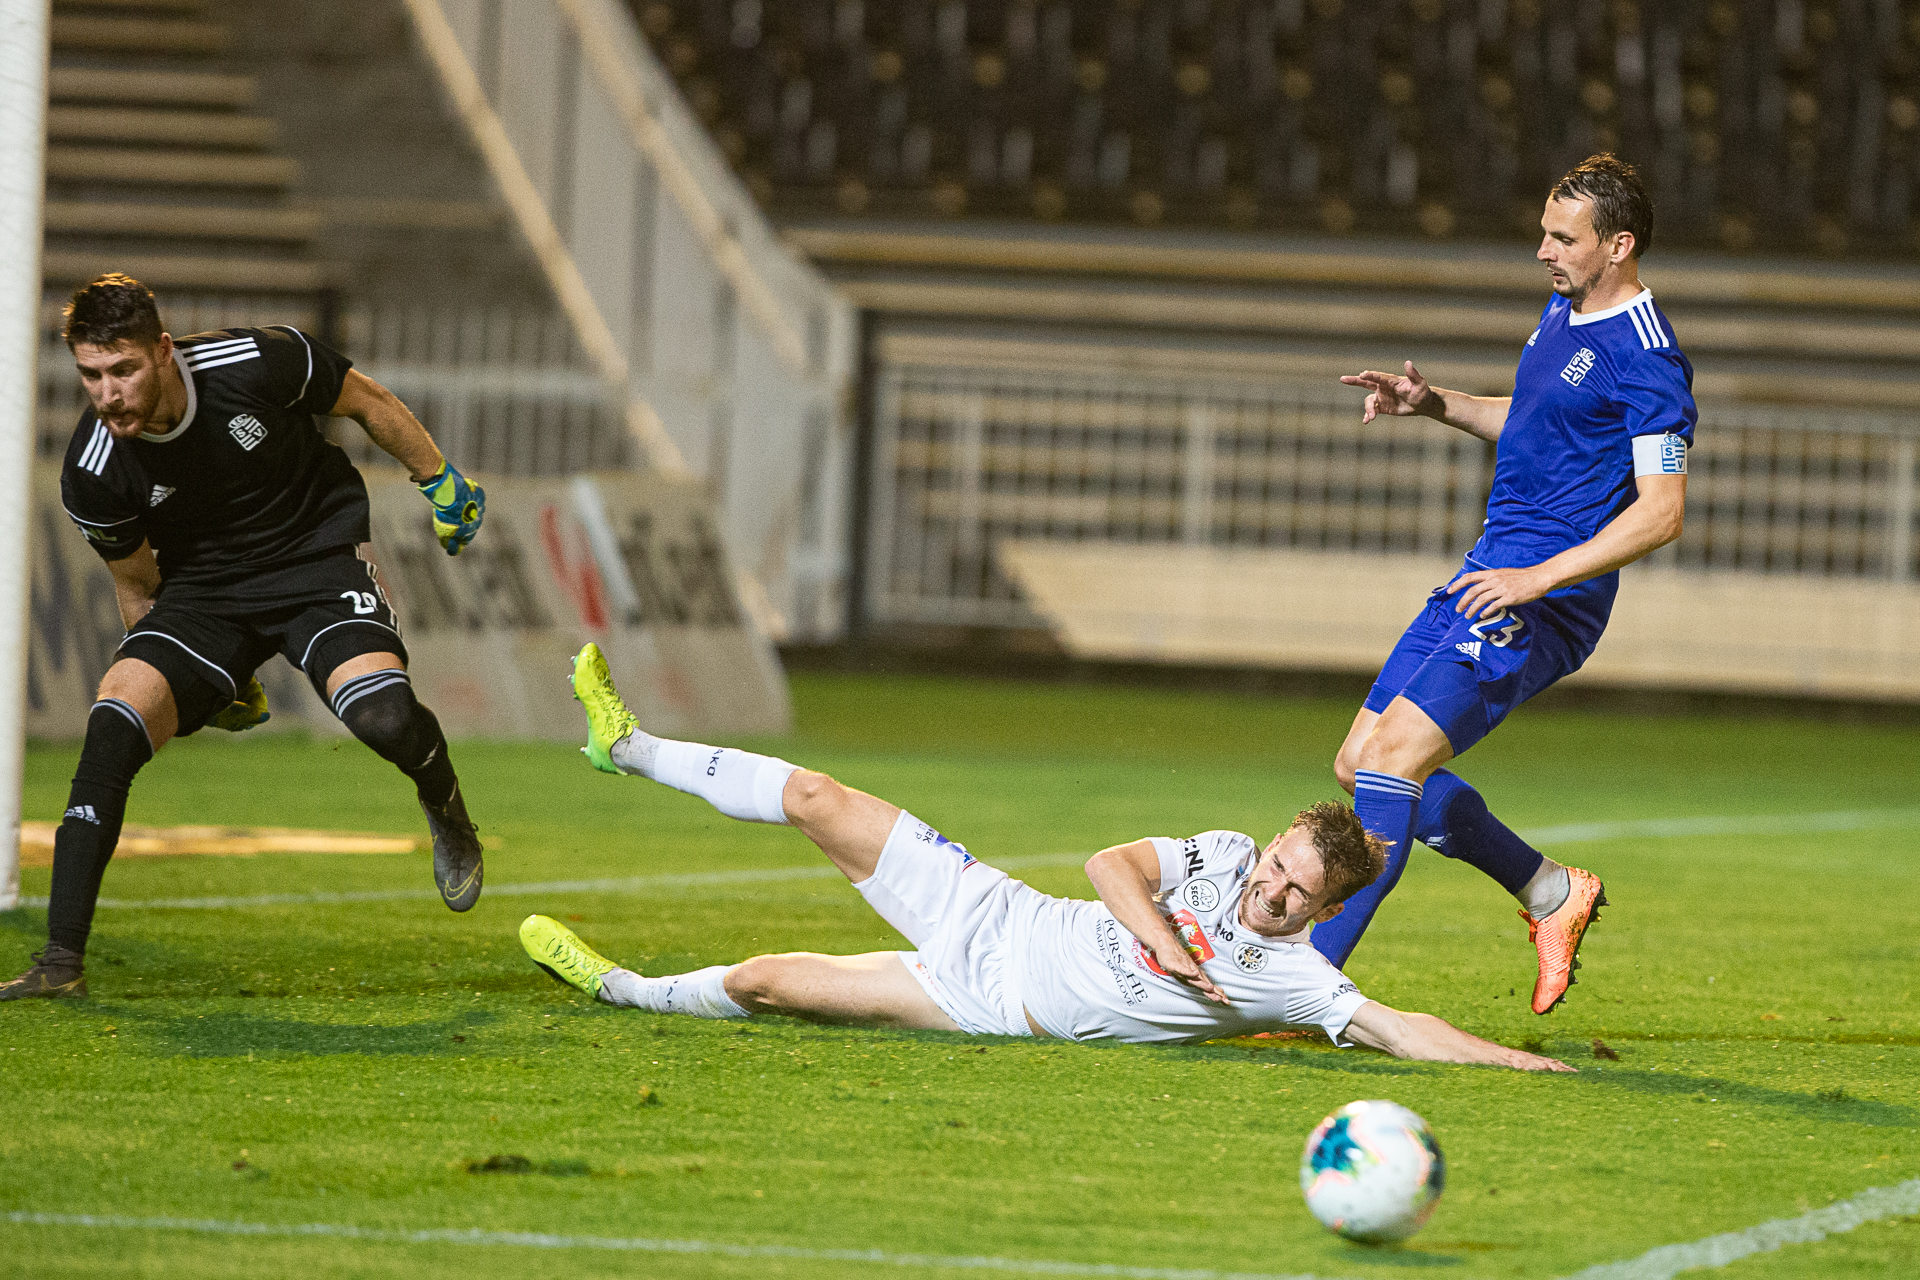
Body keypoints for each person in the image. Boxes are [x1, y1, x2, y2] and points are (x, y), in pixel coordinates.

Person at [516, 644, 1572, 1071]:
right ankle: (629, 744)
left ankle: (621, 988)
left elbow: (1400, 1028)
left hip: (983, 998)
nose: (1272, 891)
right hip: (996, 908)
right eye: (1277, 866)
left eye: (1297, 893)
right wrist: (1170, 947)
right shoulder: (1220, 853)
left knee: (764, 980)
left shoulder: (1294, 977)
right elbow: (1109, 864)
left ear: (1325, 909)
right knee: (814, 796)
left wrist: (1525, 1063)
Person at [1, 274, 489, 1002]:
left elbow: (365, 400)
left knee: (383, 717)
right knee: (112, 727)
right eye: (91, 375)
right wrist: (191, 686)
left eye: (123, 370)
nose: (108, 394)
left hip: (315, 560)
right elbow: (139, 586)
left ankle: (445, 807)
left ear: (162, 351)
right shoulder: (94, 470)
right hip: (203, 596)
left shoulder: (259, 361)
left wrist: (439, 480)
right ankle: (60, 963)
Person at [1322, 154, 1694, 1013]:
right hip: (1490, 573)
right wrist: (1434, 403)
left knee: (1391, 761)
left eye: (1563, 238)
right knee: (1358, 764)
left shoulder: (1648, 358)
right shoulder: (1565, 311)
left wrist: (1537, 579)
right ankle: (1550, 890)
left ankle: (1305, 984)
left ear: (1619, 245)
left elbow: (1662, 512)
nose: (1543, 252)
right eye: (1544, 234)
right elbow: (1531, 423)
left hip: (1543, 598)